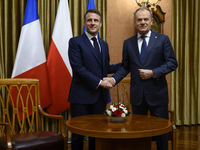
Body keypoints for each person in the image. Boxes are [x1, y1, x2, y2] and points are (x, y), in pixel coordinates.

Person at [104, 7, 178, 150]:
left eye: (145, 19)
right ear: (135, 22)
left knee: (161, 132)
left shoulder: (163, 39)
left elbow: (172, 63)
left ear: (151, 21)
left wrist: (154, 72)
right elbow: (125, 67)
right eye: (139, 20)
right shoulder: (128, 43)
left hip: (157, 94)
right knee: (139, 133)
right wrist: (113, 80)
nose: (142, 22)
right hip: (137, 95)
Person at [68, 9, 121, 150]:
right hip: (80, 97)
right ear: (84, 23)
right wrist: (100, 82)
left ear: (100, 24)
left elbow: (106, 68)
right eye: (90, 20)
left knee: (97, 134)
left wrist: (127, 64)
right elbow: (78, 68)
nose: (93, 23)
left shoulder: (104, 44)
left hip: (99, 98)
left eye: (96, 20)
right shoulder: (75, 42)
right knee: (77, 134)